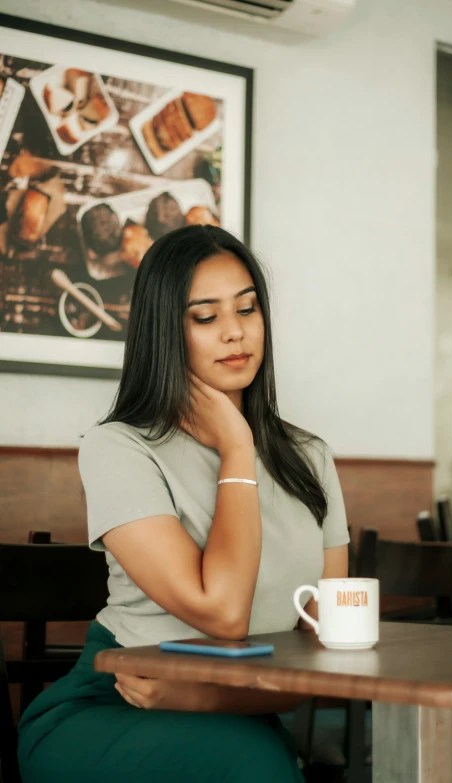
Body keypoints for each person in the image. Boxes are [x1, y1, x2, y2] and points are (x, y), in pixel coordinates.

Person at [17, 225, 349, 783]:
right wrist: (237, 446)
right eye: (205, 317)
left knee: (255, 759)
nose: (234, 333)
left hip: (237, 713)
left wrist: (208, 699)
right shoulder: (118, 447)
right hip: (111, 708)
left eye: (247, 310)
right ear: (165, 331)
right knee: (255, 764)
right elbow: (222, 613)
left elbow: (329, 658)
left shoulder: (310, 458)